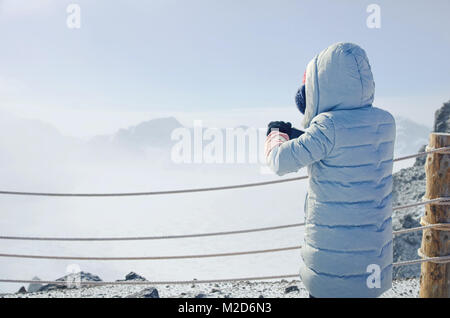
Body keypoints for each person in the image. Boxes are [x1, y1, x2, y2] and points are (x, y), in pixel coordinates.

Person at [265, 42, 396, 298]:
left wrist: (276, 134)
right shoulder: (385, 121)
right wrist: (305, 136)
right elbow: (347, 149)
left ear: (321, 85)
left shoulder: (328, 126)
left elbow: (280, 161)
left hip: (333, 268)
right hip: (372, 263)